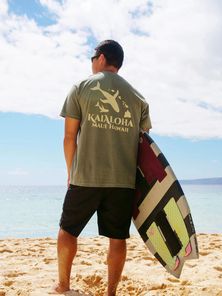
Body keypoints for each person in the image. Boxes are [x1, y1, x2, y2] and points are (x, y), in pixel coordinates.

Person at [53, 40, 152, 295]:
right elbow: (145, 147)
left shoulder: (81, 87)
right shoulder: (138, 98)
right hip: (123, 181)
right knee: (118, 238)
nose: (91, 61)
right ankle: (111, 293)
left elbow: (69, 137)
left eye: (92, 56)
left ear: (101, 57)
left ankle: (64, 286)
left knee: (67, 231)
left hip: (86, 176)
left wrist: (70, 172)